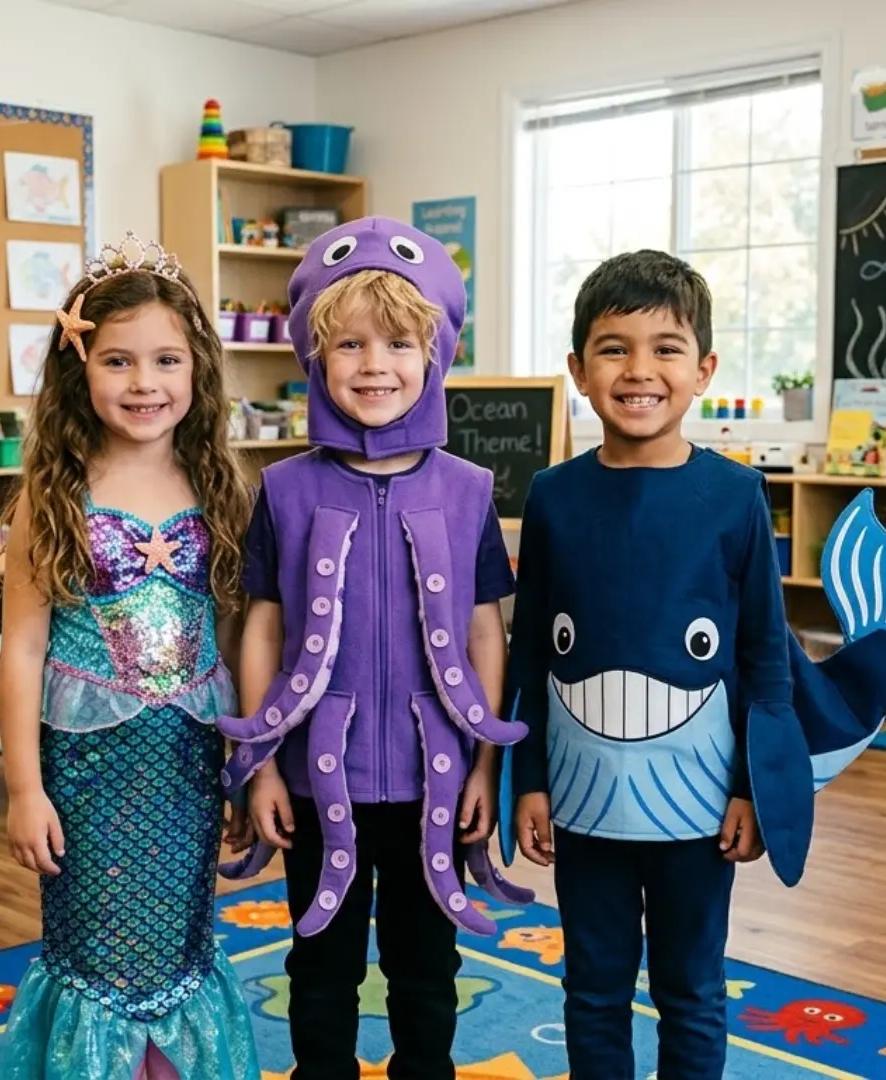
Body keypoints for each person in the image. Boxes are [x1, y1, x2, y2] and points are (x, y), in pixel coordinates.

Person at [502, 250, 886, 1079]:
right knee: (592, 986)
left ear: (705, 370)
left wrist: (753, 789)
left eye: (666, 347)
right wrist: (530, 777)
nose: (640, 370)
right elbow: (532, 644)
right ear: (578, 369)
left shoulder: (735, 495)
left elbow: (766, 653)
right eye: (613, 348)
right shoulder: (552, 494)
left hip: (697, 799)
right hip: (583, 802)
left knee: (692, 987)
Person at [217, 216, 535, 1079]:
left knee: (426, 966)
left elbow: (482, 628)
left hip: (435, 771)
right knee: (319, 963)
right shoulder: (282, 488)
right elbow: (265, 625)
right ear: (314, 358)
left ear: (434, 355)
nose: (374, 364)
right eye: (349, 344)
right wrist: (263, 764)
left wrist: (482, 765)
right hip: (322, 776)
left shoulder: (470, 489)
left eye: (398, 343)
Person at [0, 233, 260, 1080]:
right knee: (99, 951)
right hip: (85, 772)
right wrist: (25, 789)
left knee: (181, 941)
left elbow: (232, 638)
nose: (144, 383)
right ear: (79, 368)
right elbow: (24, 647)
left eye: (166, 361)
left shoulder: (221, 488)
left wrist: (244, 771)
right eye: (118, 361)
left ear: (197, 371)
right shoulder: (53, 497)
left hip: (185, 763)